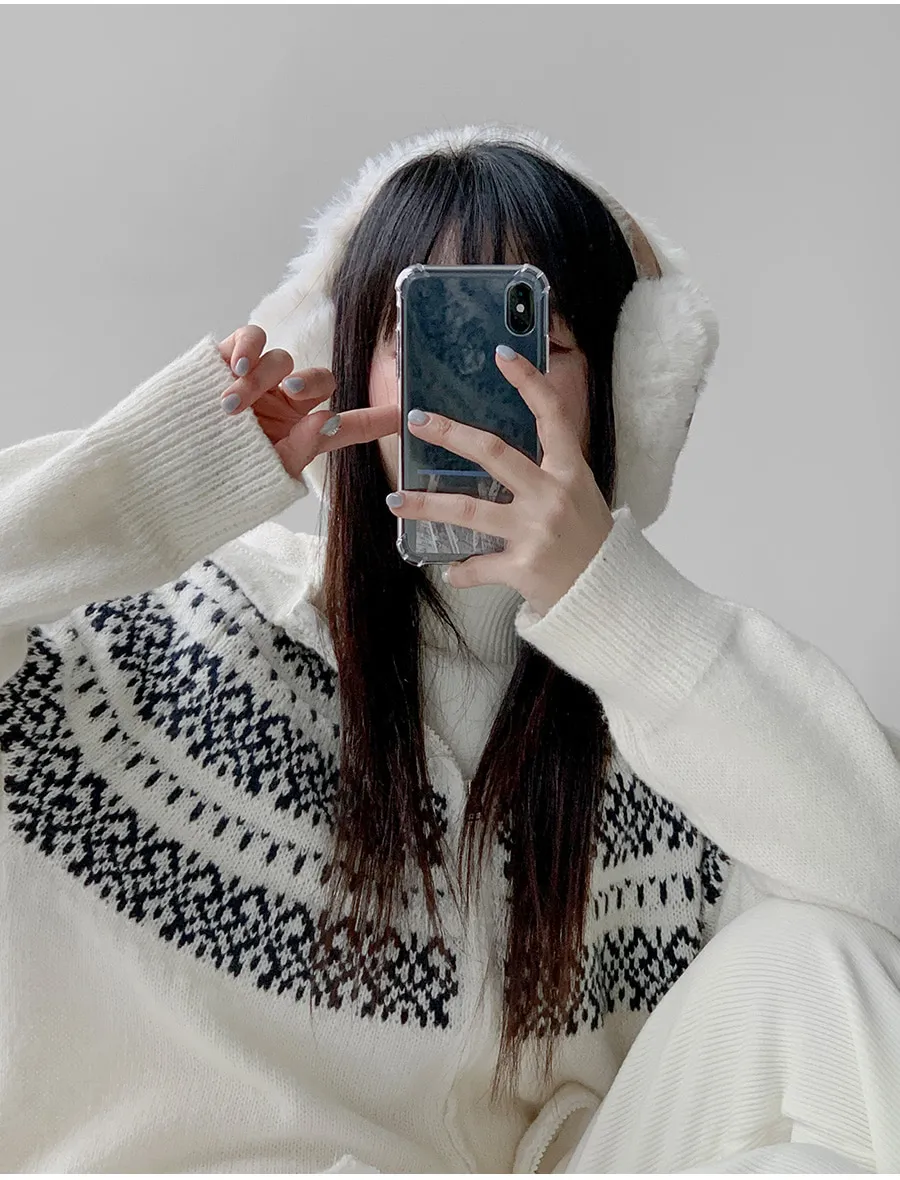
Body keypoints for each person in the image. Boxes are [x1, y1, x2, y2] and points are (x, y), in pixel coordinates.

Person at [1, 123, 899, 1175]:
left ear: (626, 400)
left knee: (818, 954)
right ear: (346, 365)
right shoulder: (168, 630)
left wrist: (619, 604)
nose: (485, 379)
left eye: (536, 339)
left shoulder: (666, 730)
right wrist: (159, 479)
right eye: (425, 332)